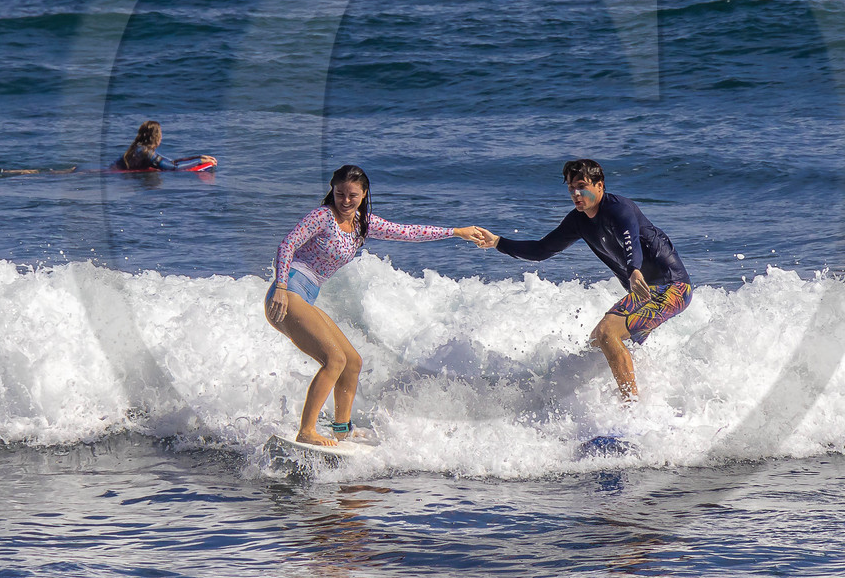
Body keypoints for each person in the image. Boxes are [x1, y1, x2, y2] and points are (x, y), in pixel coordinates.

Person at [265, 165, 493, 447]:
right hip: (290, 292)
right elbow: (287, 244)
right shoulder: (323, 216)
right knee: (334, 360)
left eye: (353, 195)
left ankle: (342, 430)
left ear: (363, 195)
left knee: (352, 362)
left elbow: (407, 232)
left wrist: (456, 231)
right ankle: (307, 430)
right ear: (332, 191)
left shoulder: (363, 223)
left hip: (305, 295)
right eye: (340, 194)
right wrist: (282, 288)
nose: (345, 201)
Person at [483, 158, 691, 401]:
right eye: (571, 188)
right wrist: (497, 242)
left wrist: (634, 270)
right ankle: (640, 399)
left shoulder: (619, 209)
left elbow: (631, 241)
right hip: (645, 292)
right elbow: (542, 250)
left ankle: (632, 408)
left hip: (673, 287)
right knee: (597, 344)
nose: (575, 193)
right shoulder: (578, 221)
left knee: (606, 333)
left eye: (581, 186)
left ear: (599, 186)